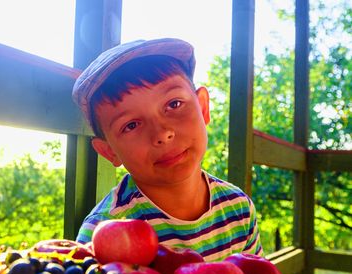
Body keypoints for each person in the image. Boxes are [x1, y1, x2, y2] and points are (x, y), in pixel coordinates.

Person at [72, 38, 263, 262]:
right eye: (131, 125)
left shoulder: (238, 208)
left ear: (202, 108)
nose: (162, 134)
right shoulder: (101, 237)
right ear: (108, 152)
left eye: (174, 104)